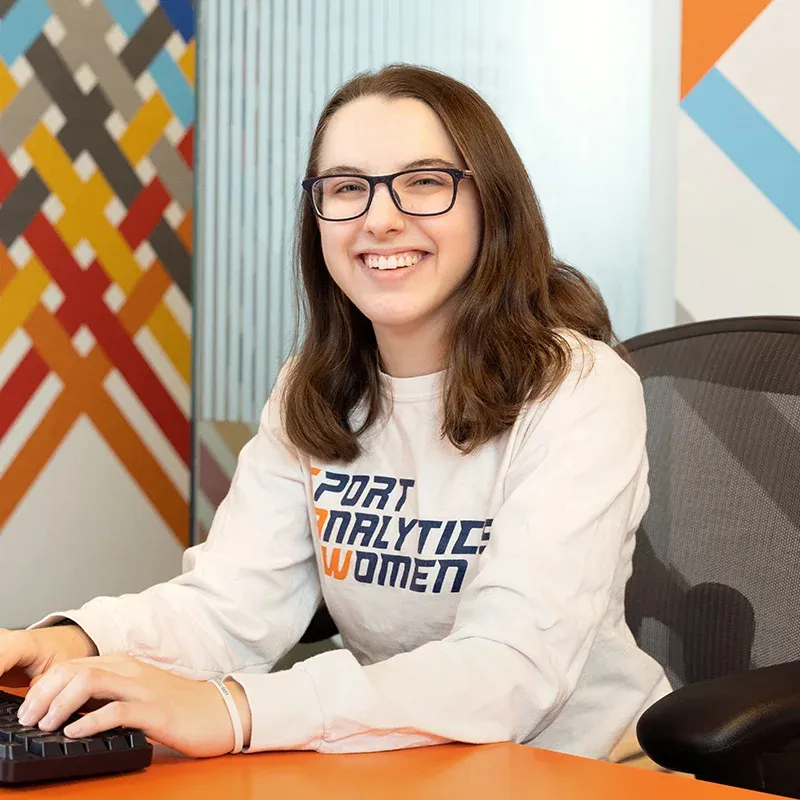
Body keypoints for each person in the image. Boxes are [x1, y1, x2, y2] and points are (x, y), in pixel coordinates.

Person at [0, 64, 670, 761]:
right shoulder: (312, 390)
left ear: (491, 205)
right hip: (405, 765)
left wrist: (235, 709)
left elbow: (509, 670)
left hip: (587, 764)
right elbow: (231, 605)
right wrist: (64, 645)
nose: (380, 218)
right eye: (347, 188)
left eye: (425, 182)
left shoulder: (580, 387)